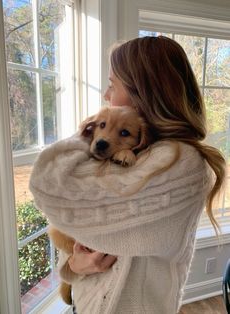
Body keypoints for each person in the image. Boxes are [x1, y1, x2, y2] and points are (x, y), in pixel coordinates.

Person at [29, 36, 226, 314]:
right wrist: (74, 265)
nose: (106, 97)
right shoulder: (143, 148)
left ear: (145, 93)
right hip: (85, 302)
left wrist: (88, 131)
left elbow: (49, 185)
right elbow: (77, 228)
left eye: (112, 85)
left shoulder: (180, 161)